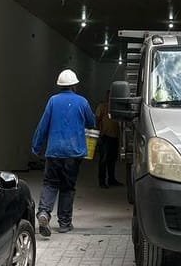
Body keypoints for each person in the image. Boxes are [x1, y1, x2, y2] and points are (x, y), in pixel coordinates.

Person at [31, 69, 95, 237]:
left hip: (54, 151)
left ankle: (44, 212)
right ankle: (65, 223)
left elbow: (43, 125)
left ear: (60, 85)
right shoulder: (82, 102)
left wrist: (36, 146)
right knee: (67, 187)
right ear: (74, 85)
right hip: (73, 153)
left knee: (50, 183)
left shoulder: (53, 101)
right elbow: (91, 122)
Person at [95, 92, 121, 188]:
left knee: (112, 159)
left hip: (115, 136)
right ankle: (102, 181)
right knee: (104, 159)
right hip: (105, 136)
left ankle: (111, 179)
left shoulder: (116, 107)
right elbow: (97, 119)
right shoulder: (102, 106)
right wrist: (99, 133)